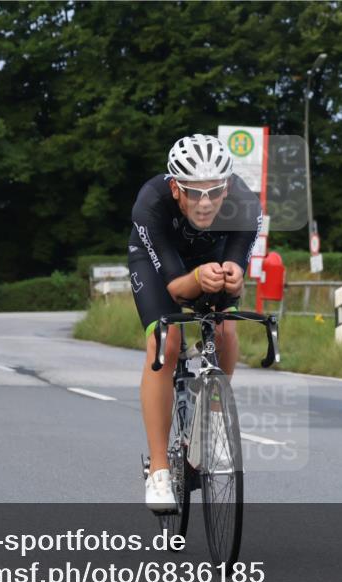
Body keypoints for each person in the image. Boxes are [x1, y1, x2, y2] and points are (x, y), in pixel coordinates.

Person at [127, 134, 260, 511]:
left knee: (224, 327)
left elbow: (236, 264)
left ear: (228, 187)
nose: (204, 204)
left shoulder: (246, 205)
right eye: (192, 192)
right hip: (157, 263)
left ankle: (215, 420)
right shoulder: (150, 204)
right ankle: (159, 469)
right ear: (175, 187)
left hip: (210, 258)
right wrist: (199, 278)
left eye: (215, 192)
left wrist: (233, 276)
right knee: (165, 343)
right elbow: (175, 287)